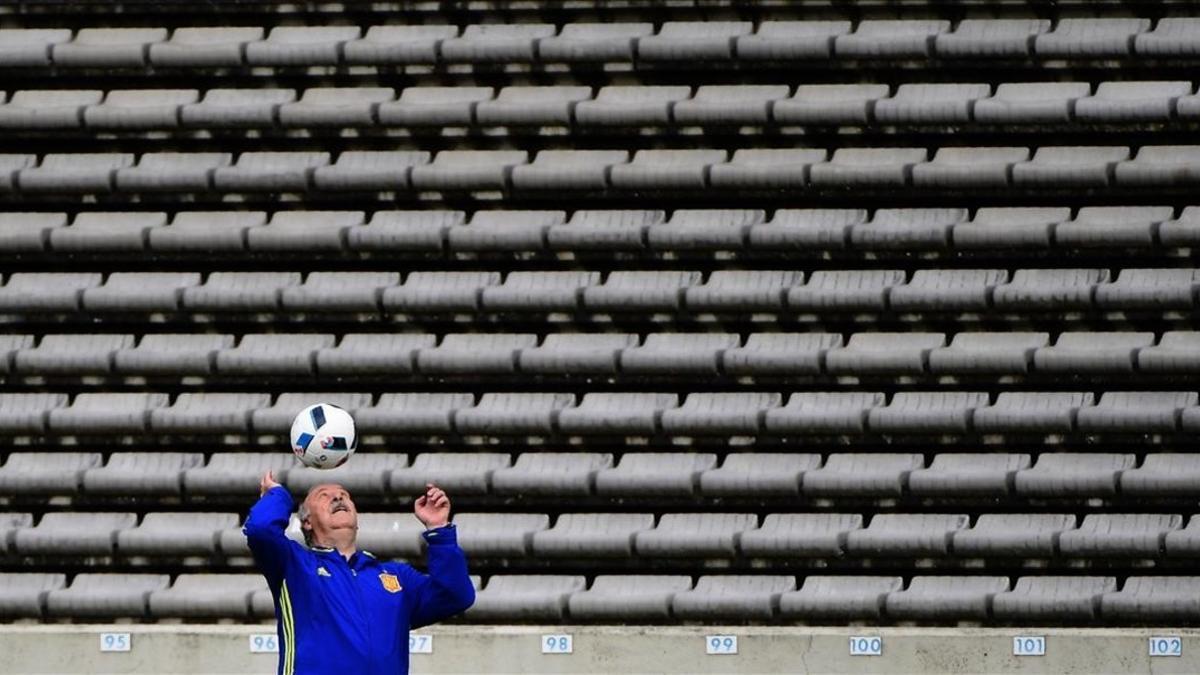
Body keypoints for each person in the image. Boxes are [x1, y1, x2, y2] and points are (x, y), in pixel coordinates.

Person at [245, 471, 474, 675]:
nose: (338, 498)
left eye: (344, 495)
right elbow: (261, 529)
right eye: (323, 495)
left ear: (357, 520)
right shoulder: (293, 565)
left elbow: (456, 596)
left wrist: (439, 530)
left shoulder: (396, 576)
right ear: (306, 522)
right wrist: (277, 495)